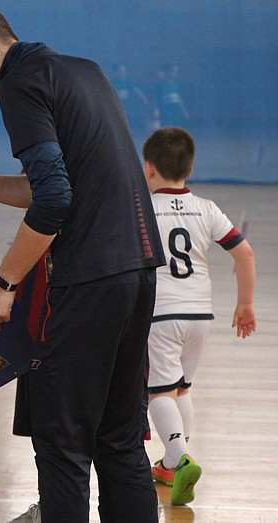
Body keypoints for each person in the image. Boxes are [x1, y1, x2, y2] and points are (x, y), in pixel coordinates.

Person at [0, 3, 165, 521]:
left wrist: (4, 281)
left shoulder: (21, 84)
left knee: (62, 444)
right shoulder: (84, 72)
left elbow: (55, 200)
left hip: (88, 281)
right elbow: (60, 184)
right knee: (121, 439)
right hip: (138, 270)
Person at [142, 127, 256, 506]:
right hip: (200, 314)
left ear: (149, 168)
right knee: (182, 388)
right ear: (188, 168)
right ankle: (172, 462)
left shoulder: (141, 208)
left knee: (158, 392)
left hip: (161, 313)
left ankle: (179, 460)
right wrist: (244, 304)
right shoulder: (207, 208)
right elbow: (245, 254)